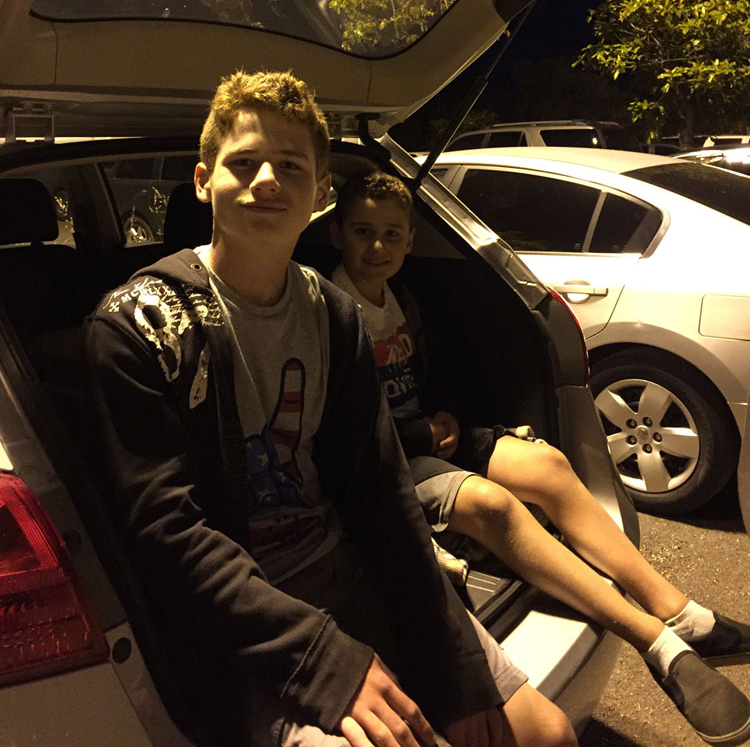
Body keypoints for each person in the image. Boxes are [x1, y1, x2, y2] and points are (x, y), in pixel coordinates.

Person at [85, 70, 578, 747]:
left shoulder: (332, 312)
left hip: (354, 579)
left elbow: (384, 495)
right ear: (203, 181)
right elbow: (166, 535)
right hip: (241, 632)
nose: (266, 181)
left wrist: (454, 665)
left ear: (320, 196)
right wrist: (326, 659)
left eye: (290, 166)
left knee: (547, 734)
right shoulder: (138, 324)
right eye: (244, 163)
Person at [330, 169, 750, 747]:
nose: (377, 247)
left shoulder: (401, 299)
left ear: (409, 241)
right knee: (493, 503)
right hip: (387, 457)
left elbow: (430, 378)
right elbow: (346, 426)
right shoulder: (331, 308)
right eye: (362, 232)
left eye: (391, 234)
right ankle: (658, 644)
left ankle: (680, 612)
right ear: (337, 235)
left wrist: (448, 416)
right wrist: (423, 432)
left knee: (548, 465)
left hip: (427, 436)